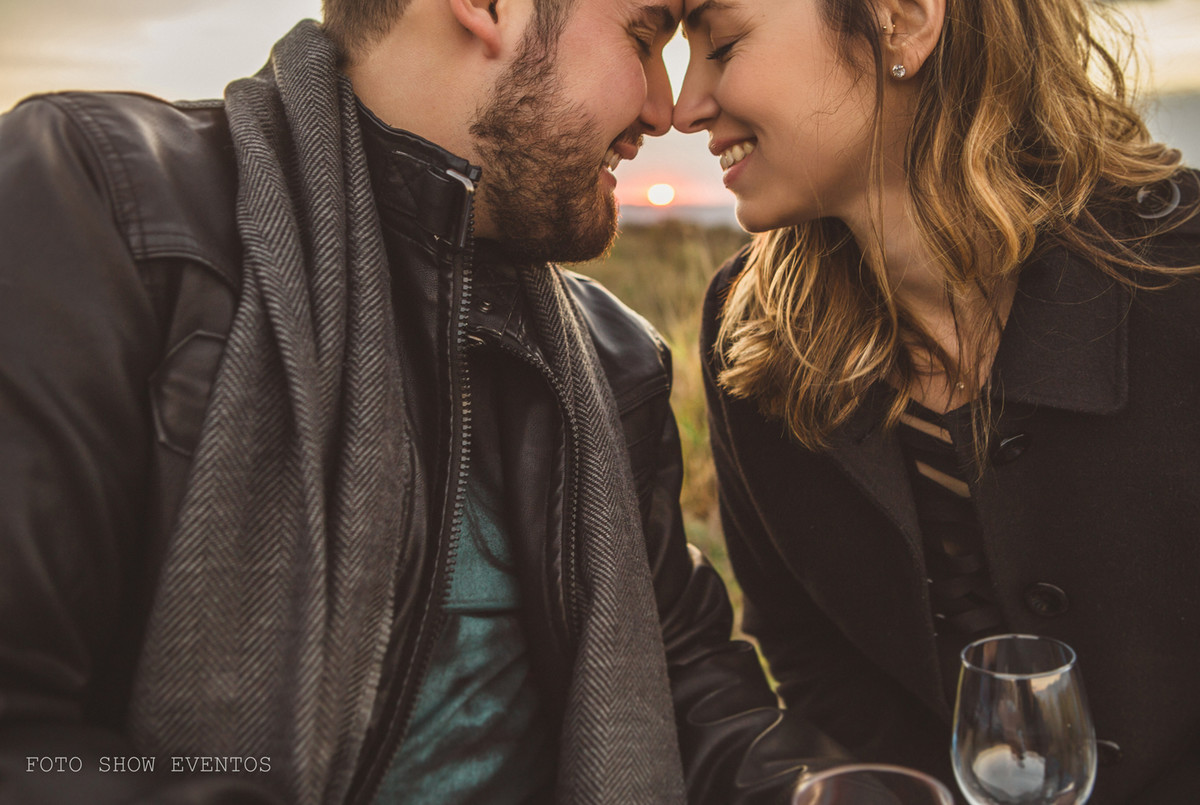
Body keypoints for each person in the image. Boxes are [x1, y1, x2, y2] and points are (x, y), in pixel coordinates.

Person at [0, 0, 843, 802]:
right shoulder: (101, 207)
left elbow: (688, 684)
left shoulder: (614, 362)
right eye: (644, 34)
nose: (665, 110)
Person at [672, 0, 1200, 802]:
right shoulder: (748, 337)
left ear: (904, 23)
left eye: (725, 45)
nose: (684, 107)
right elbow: (809, 656)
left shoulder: (1181, 279)